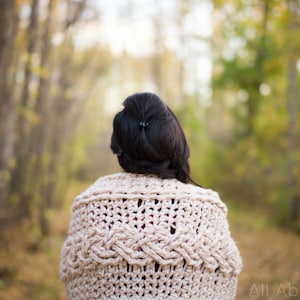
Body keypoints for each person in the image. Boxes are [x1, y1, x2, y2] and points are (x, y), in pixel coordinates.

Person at [60, 92, 242, 299]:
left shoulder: (90, 206)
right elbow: (223, 289)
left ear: (119, 145)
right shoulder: (207, 209)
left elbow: (77, 290)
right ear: (173, 141)